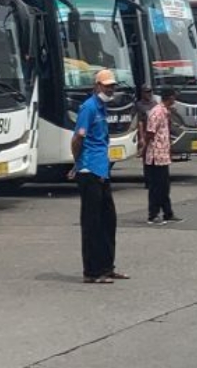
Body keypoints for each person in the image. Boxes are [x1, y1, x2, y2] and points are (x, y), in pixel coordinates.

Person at [71, 69, 127, 284]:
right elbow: (77, 139)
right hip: (89, 171)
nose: (110, 89)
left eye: (112, 86)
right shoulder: (89, 107)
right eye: (106, 86)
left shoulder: (102, 108)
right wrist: (78, 163)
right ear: (97, 86)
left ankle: (107, 266)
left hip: (102, 170)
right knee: (92, 223)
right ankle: (92, 272)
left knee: (108, 221)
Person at [145, 89, 184, 225]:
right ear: (170, 97)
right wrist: (144, 150)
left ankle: (168, 213)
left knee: (164, 186)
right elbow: (150, 132)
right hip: (156, 154)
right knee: (156, 187)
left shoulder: (165, 112)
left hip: (163, 154)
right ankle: (153, 214)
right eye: (174, 98)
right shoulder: (157, 112)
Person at [135, 85, 157, 190]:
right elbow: (139, 122)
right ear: (142, 93)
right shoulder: (139, 105)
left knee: (155, 158)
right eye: (146, 92)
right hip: (145, 133)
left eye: (150, 92)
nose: (149, 94)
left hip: (155, 134)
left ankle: (155, 180)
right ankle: (148, 181)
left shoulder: (155, 104)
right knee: (146, 159)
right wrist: (141, 137)